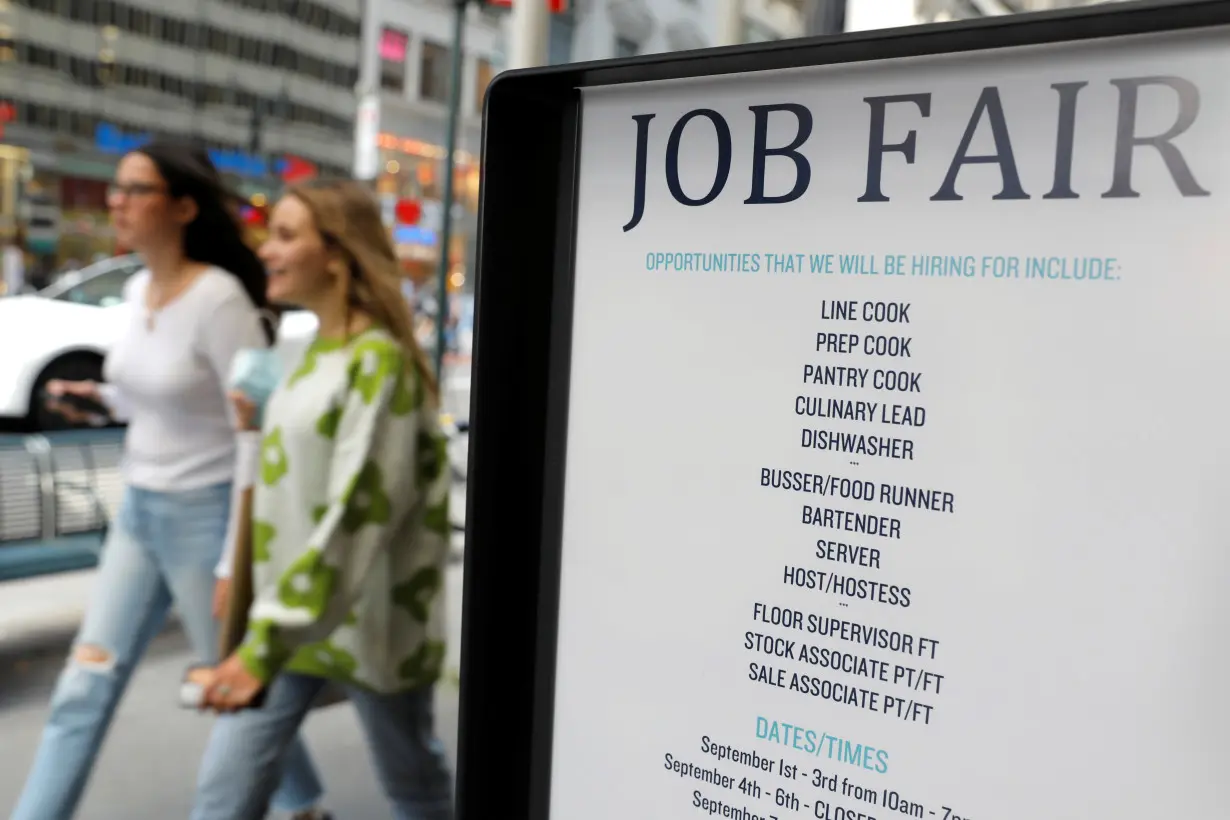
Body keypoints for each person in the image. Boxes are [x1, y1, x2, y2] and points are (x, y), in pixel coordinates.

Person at [9, 140, 331, 820]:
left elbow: (253, 427)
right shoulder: (134, 290)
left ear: (183, 207)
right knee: (83, 685)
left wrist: (228, 561)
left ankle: (301, 807)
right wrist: (93, 397)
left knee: (235, 687)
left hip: (206, 518)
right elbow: (148, 396)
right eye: (117, 189)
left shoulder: (219, 301)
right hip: (139, 515)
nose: (116, 202)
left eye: (135, 190)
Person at [188, 179, 454, 820]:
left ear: (336, 253)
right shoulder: (307, 351)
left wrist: (258, 645)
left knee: (414, 788)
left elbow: (359, 508)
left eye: (285, 235)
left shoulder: (379, 361)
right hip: (290, 621)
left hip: (370, 619)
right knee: (223, 795)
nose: (266, 250)